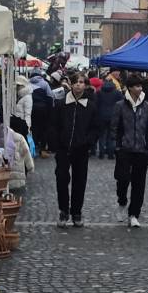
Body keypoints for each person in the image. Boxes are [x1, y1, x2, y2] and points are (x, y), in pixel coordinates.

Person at [48, 73, 100, 227]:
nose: (78, 85)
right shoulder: (61, 104)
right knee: (62, 179)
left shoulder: (90, 106)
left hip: (81, 150)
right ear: (70, 84)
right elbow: (53, 125)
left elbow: (95, 128)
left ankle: (76, 212)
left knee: (79, 181)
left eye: (82, 82)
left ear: (86, 85)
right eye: (76, 82)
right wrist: (56, 144)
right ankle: (63, 211)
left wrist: (88, 142)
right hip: (63, 149)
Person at [113, 76, 148, 227]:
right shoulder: (120, 105)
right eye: (137, 86)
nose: (140, 89)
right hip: (124, 148)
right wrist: (117, 145)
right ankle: (122, 201)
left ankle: (134, 214)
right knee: (122, 178)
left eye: (141, 86)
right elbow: (114, 126)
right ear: (130, 88)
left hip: (141, 149)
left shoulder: (147, 107)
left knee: (139, 184)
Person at [94, 74, 123, 159]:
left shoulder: (99, 92)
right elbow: (121, 103)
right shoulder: (117, 93)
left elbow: (96, 104)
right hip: (113, 116)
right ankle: (110, 154)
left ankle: (101, 154)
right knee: (111, 135)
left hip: (101, 116)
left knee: (102, 135)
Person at [29, 74, 54, 158]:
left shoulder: (28, 83)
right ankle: (42, 149)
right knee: (44, 129)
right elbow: (50, 96)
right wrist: (50, 110)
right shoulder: (45, 83)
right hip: (43, 109)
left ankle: (33, 147)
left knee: (34, 128)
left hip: (32, 109)